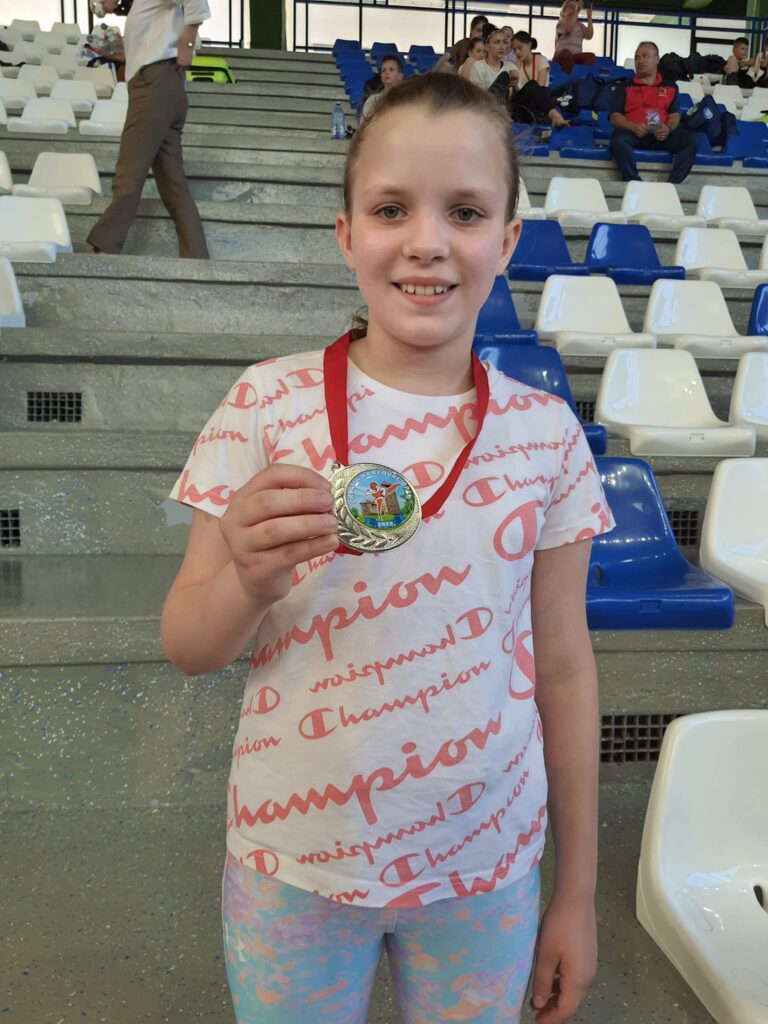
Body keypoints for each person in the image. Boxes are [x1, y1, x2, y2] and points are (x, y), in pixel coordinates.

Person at [161, 71, 614, 1024]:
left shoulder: (545, 434)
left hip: (486, 868)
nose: (426, 241)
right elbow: (189, 644)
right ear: (346, 233)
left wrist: (575, 893)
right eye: (390, 208)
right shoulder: (265, 404)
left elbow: (566, 667)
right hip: (295, 864)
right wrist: (248, 581)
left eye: (465, 212)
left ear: (507, 241)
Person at [86, 0, 210, 259]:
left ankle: (104, 248)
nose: (102, 4)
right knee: (173, 186)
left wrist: (187, 46)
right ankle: (196, 259)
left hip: (154, 87)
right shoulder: (146, 7)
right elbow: (152, 45)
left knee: (128, 174)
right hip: (165, 87)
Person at [608, 41, 699, 185]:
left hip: (661, 136)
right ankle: (634, 182)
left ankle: (672, 184)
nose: (640, 61)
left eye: (645, 56)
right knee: (618, 139)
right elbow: (614, 117)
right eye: (637, 57)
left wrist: (668, 128)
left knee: (692, 139)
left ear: (657, 59)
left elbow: (675, 115)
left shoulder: (670, 87)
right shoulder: (624, 87)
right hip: (634, 134)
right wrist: (632, 126)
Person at [510, 31, 568, 127]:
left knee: (533, 85)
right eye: (514, 50)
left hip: (537, 104)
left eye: (520, 48)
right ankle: (553, 115)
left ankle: (552, 116)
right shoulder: (517, 65)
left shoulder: (541, 60)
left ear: (529, 45)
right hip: (522, 105)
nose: (517, 52)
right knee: (531, 85)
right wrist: (514, 85)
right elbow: (516, 94)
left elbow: (540, 88)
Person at [553, 0, 595, 76]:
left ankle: (580, 76)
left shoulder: (580, 26)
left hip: (575, 57)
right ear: (564, 11)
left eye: (574, 7)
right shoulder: (560, 24)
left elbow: (589, 36)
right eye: (570, 7)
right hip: (561, 56)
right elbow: (567, 30)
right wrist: (577, 10)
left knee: (590, 56)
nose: (573, 9)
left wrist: (589, 17)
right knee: (566, 53)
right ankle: (568, 77)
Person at [469, 26, 518, 90]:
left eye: (505, 42)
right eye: (497, 42)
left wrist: (515, 85)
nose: (502, 47)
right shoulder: (478, 66)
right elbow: (476, 93)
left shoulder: (511, 67)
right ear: (487, 47)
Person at [361, 55, 404, 119]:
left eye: (391, 69)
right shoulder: (372, 101)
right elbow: (364, 123)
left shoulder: (407, 100)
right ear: (381, 77)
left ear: (400, 76)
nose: (387, 72)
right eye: (384, 70)